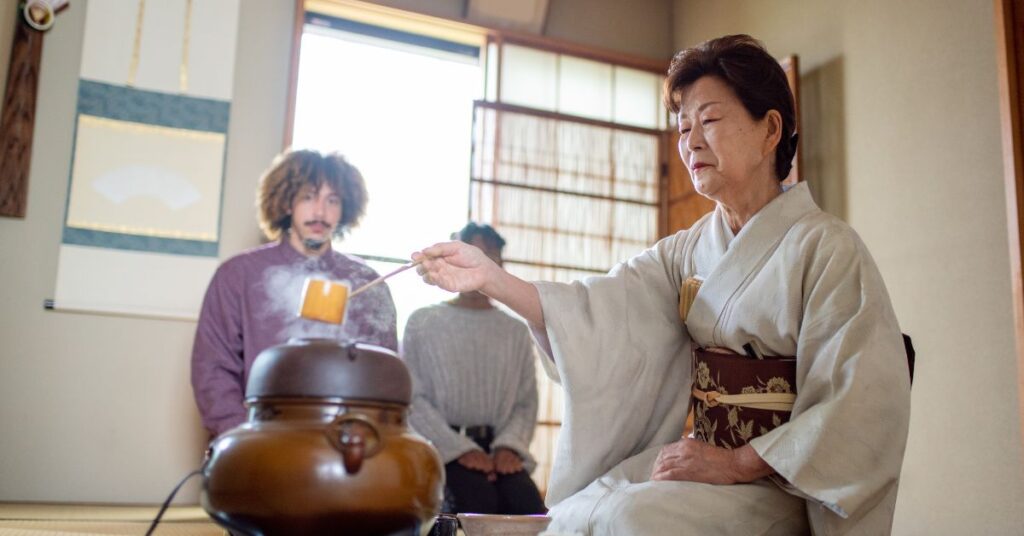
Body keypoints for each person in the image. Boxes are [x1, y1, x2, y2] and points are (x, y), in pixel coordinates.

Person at [413, 35, 911, 534]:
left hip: (779, 485)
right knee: (581, 508)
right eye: (683, 127)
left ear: (770, 130)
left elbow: (859, 407)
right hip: (702, 466)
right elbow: (600, 313)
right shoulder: (686, 251)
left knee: (632, 517)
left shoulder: (829, 249)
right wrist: (493, 279)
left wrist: (736, 464)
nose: (691, 141)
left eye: (710, 121)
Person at [191, 149, 398, 437]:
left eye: (332, 200)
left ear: (345, 208)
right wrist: (242, 439)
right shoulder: (238, 275)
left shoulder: (367, 282)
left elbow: (384, 375)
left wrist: (361, 438)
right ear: (287, 202)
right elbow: (213, 370)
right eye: (308, 197)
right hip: (258, 440)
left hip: (347, 446)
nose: (320, 212)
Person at [403, 223, 546, 515]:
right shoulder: (422, 322)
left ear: (500, 265)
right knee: (477, 506)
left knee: (531, 511)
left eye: (491, 258)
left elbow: (526, 401)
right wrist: (459, 449)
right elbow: (413, 400)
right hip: (441, 449)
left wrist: (509, 447)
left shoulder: (515, 330)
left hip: (501, 450)